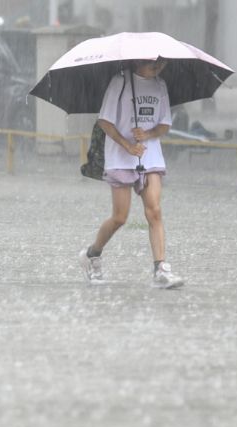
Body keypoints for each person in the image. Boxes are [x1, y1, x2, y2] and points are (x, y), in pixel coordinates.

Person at [79, 58, 183, 289]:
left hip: (150, 156)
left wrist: (147, 134)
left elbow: (164, 125)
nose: (158, 67)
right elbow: (105, 122)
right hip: (120, 158)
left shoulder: (160, 85)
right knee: (120, 218)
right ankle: (92, 254)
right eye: (152, 63)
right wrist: (127, 145)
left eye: (162, 63)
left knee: (154, 211)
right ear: (137, 61)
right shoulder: (120, 82)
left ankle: (161, 269)